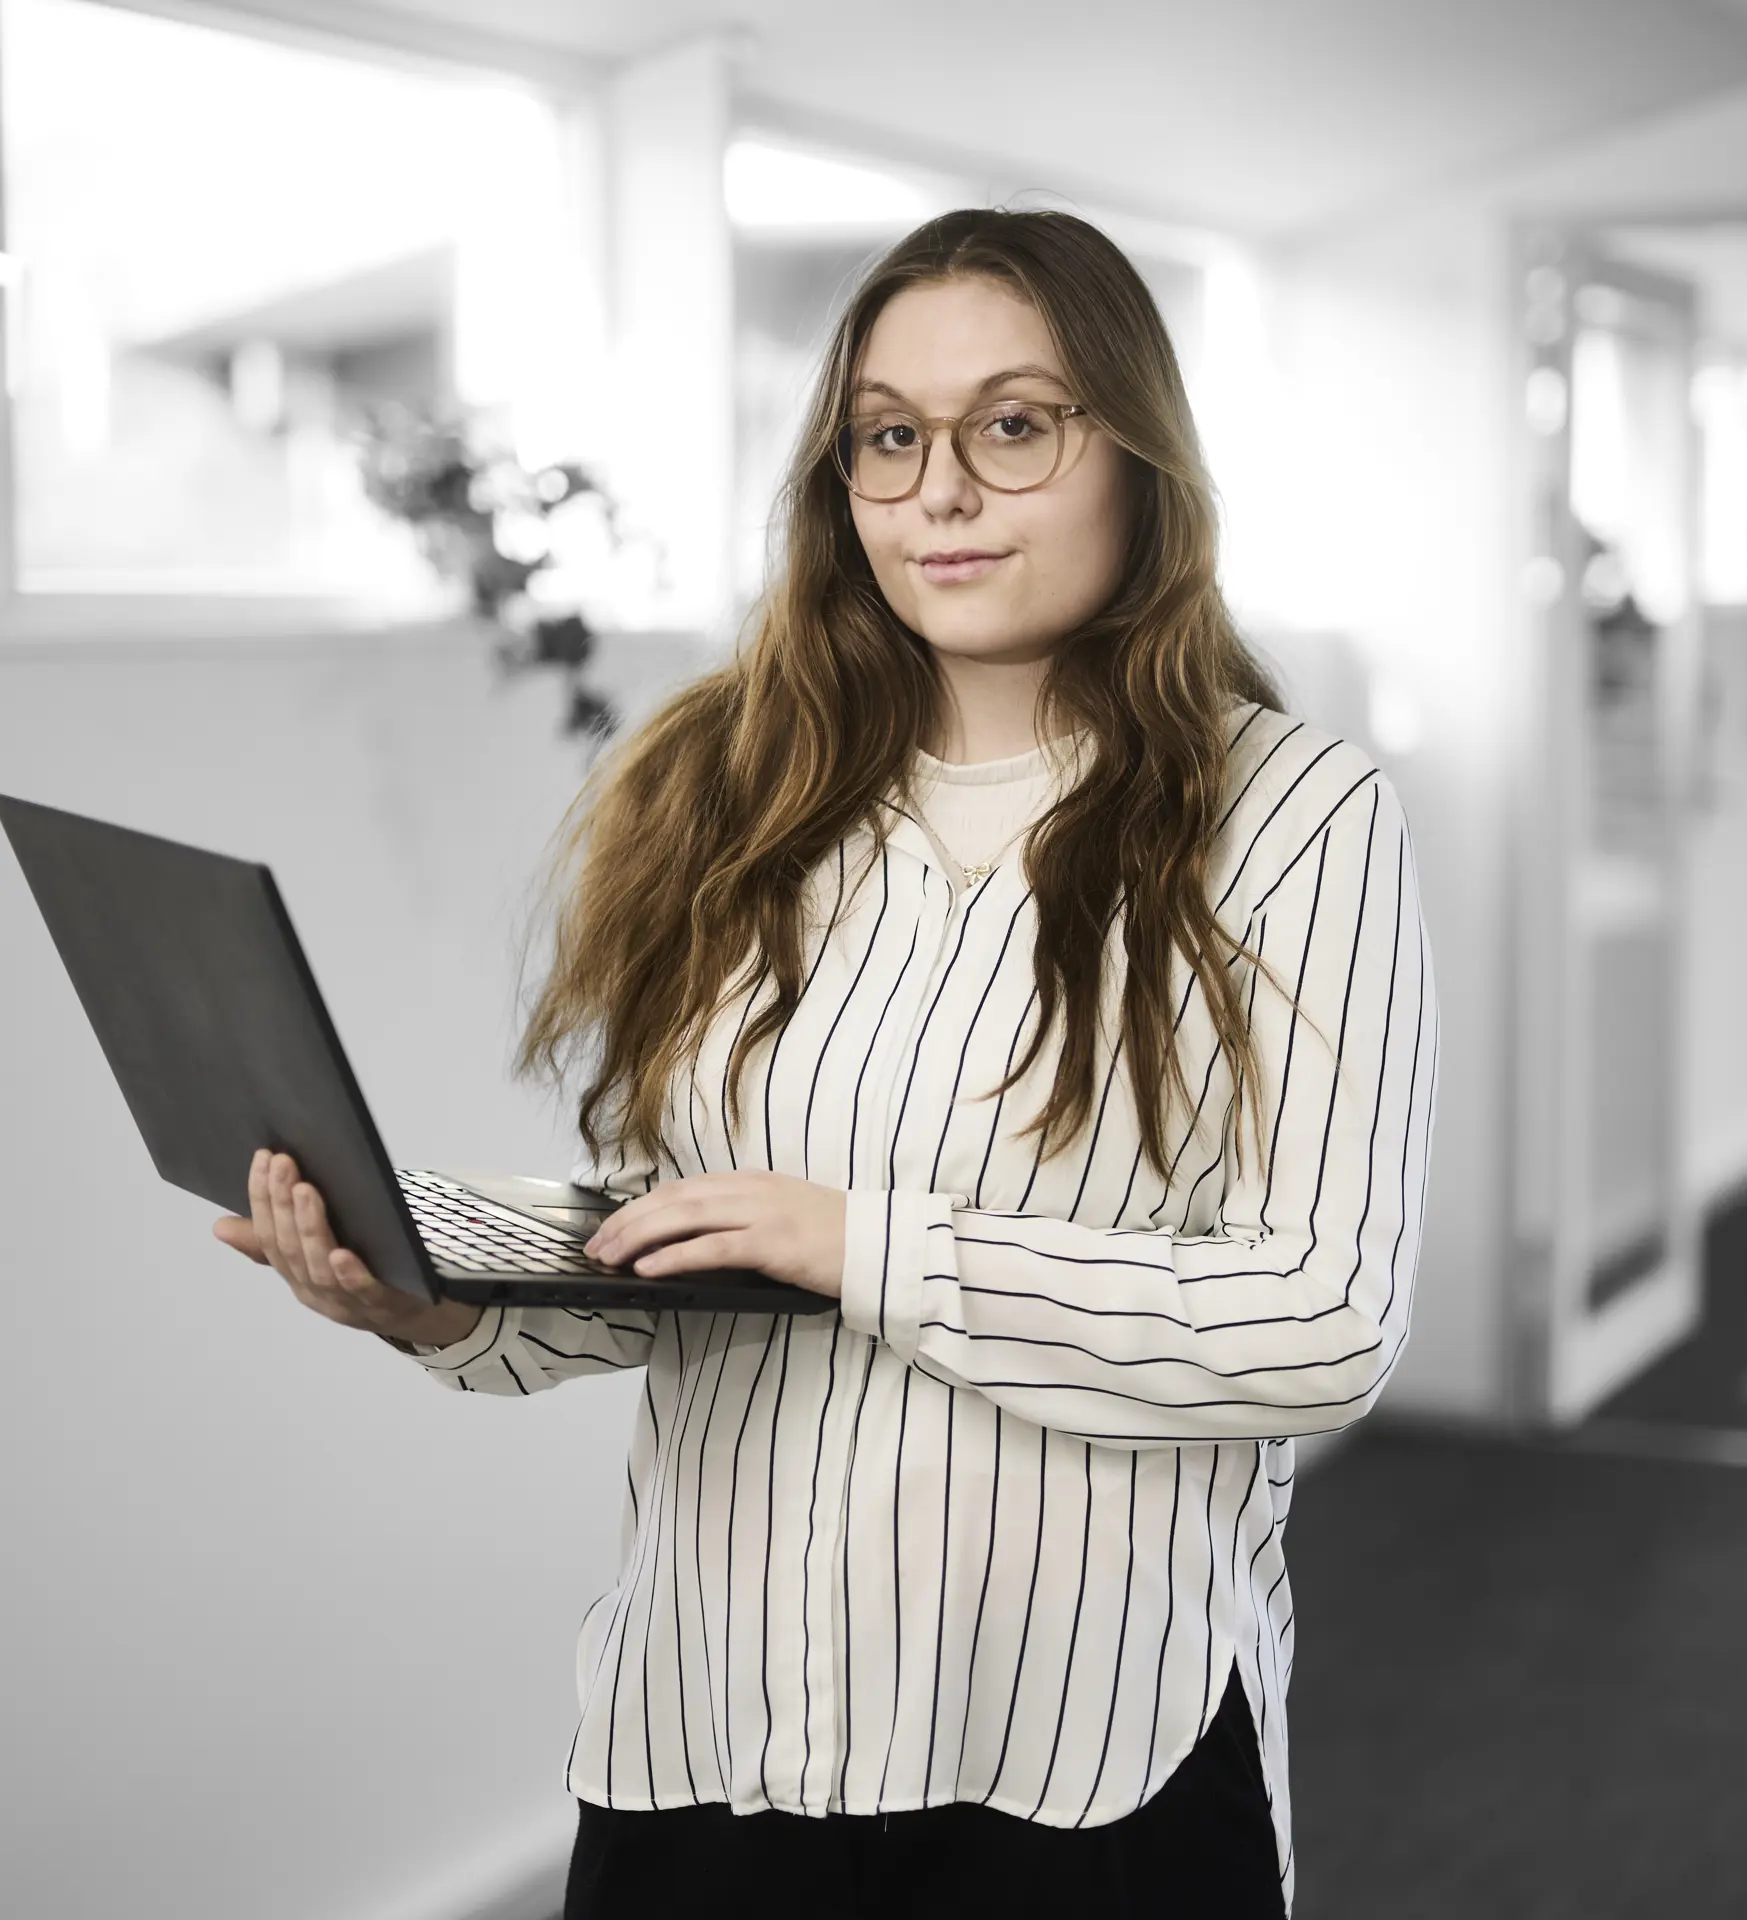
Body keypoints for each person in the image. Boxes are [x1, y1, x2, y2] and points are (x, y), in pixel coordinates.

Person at [213, 207, 1440, 1919]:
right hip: (709, 1737)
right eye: (888, 436)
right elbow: (700, 1240)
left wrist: (861, 1243)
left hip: (1088, 1755)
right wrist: (444, 1297)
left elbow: (1319, 1323)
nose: (940, 489)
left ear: (1140, 456)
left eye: (1014, 424)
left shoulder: (1294, 818)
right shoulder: (726, 788)